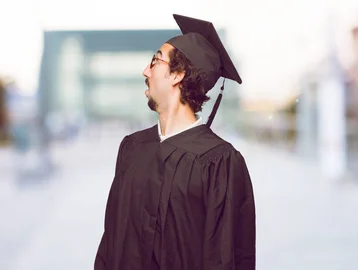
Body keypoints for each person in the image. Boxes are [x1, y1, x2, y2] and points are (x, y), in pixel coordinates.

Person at [94, 14, 256, 270]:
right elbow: (110, 241)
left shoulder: (219, 162)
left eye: (155, 61)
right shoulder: (132, 147)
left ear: (177, 74)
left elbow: (226, 256)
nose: (145, 71)